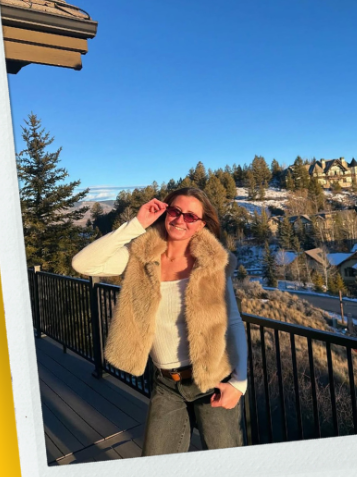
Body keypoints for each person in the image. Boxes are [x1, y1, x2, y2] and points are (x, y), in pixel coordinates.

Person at [71, 187, 247, 455]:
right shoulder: (140, 257)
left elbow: (232, 321)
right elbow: (83, 263)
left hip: (213, 376)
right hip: (166, 383)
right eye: (175, 211)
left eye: (190, 216)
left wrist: (239, 383)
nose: (180, 220)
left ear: (202, 224)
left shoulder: (211, 263)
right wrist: (137, 224)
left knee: (226, 462)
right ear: (165, 211)